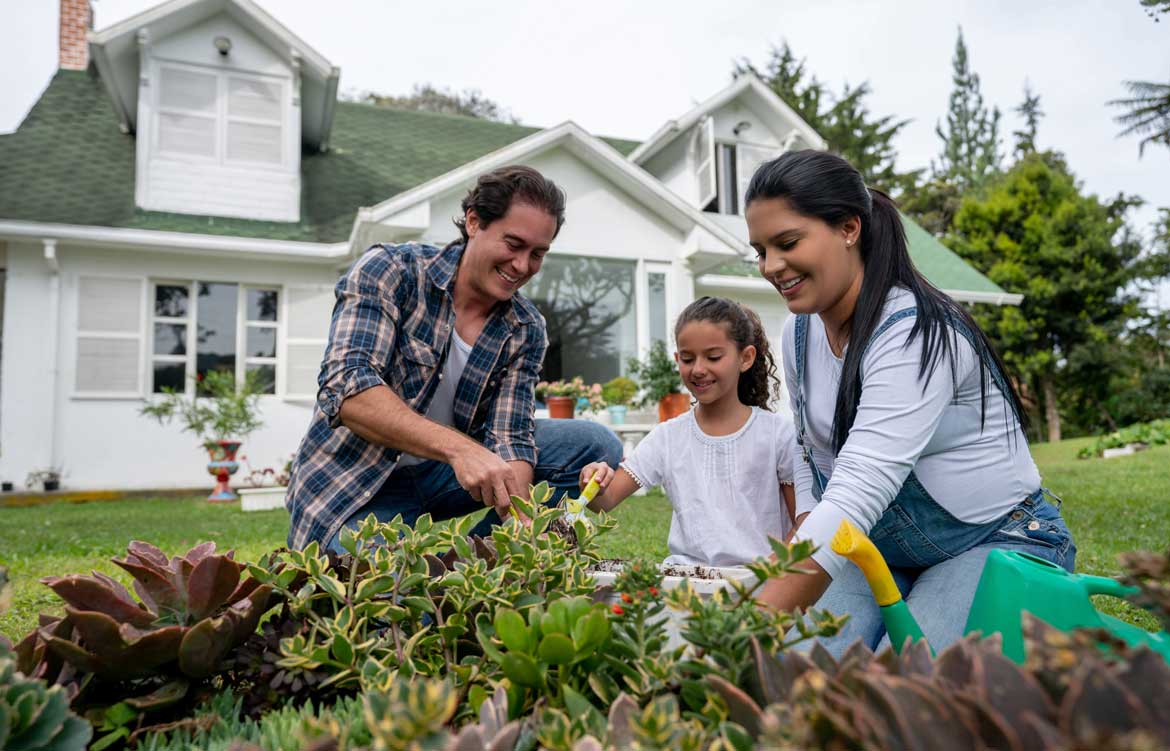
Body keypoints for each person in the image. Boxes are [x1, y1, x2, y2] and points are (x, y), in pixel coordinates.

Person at [745, 150, 1076, 655]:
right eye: (760, 251)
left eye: (787, 243)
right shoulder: (797, 333)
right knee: (797, 672)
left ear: (848, 229)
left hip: (996, 543)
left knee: (902, 697)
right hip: (877, 549)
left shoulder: (914, 331)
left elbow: (858, 489)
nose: (772, 266)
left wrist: (744, 629)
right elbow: (812, 458)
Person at [286, 165, 623, 551]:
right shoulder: (392, 272)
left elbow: (510, 436)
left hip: (443, 477)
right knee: (387, 602)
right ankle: (432, 591)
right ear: (474, 222)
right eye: (513, 245)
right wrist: (462, 450)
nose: (522, 266)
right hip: (353, 485)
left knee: (596, 444)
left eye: (537, 254)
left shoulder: (525, 326)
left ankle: (484, 561)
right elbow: (349, 391)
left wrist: (521, 515)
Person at [577, 297, 798, 567]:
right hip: (687, 585)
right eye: (687, 358)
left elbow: (802, 526)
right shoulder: (668, 437)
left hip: (761, 585)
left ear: (746, 358)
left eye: (713, 357)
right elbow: (605, 502)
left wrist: (765, 576)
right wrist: (594, 482)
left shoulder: (777, 435)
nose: (698, 369)